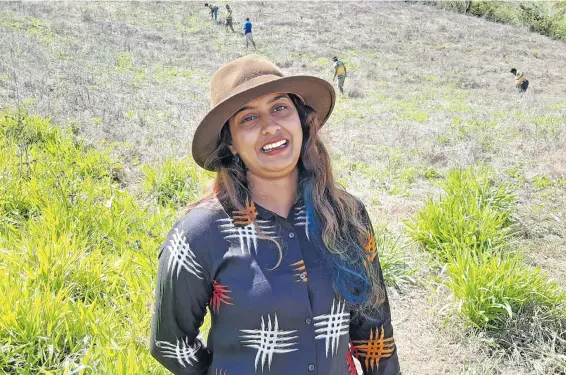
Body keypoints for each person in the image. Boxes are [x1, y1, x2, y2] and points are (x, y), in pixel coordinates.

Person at [150, 55, 401, 375]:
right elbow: (169, 344)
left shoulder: (348, 217)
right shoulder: (200, 234)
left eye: (280, 108)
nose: (270, 127)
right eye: (248, 118)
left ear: (301, 120)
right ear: (232, 144)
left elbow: (374, 333)